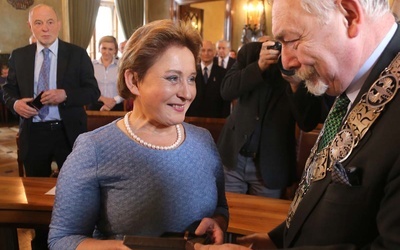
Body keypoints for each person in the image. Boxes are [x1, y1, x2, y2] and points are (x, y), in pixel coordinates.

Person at [194, 0, 400, 249]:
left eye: (292, 41)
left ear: (349, 15)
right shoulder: (351, 82)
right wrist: (277, 241)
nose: (287, 61)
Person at [48, 19, 229, 250]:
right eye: (173, 78)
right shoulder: (94, 148)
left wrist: (218, 222)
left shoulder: (203, 140)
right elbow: (62, 239)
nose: (187, 92)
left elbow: (221, 208)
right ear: (134, 81)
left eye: (191, 78)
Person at [3, 4, 100, 249]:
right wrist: (15, 105)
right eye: (38, 23)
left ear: (58, 24)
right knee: (34, 192)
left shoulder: (77, 54)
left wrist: (65, 95)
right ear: (30, 27)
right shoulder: (19, 55)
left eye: (49, 22)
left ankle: (74, 237)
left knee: (75, 189)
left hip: (68, 133)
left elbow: (92, 91)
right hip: (34, 134)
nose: (44, 28)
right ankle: (41, 237)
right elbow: (7, 91)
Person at [217, 37, 322, 199]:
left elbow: (307, 122)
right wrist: (259, 66)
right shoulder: (252, 52)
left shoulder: (304, 61)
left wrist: (295, 84)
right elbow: (226, 91)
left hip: (271, 164)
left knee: (262, 220)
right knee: (229, 214)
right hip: (233, 157)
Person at [186, 40, 230, 118]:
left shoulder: (223, 73)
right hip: (193, 119)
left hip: (216, 120)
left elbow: (225, 100)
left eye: (209, 50)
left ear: (214, 53)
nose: (206, 53)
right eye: (203, 50)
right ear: (199, 53)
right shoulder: (190, 71)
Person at [87, 35, 124, 111]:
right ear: (99, 49)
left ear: (115, 50)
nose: (107, 52)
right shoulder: (91, 65)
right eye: (104, 48)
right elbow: (87, 87)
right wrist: (102, 98)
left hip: (116, 105)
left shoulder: (122, 66)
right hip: (95, 105)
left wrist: (114, 100)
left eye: (110, 49)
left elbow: (126, 88)